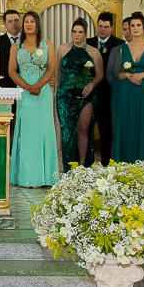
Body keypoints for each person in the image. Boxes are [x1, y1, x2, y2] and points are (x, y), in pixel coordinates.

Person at [8, 11, 58, 187]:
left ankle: (45, 176)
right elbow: (12, 71)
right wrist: (27, 87)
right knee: (27, 134)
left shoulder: (47, 45)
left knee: (43, 132)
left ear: (37, 24)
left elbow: (51, 69)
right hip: (24, 93)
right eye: (26, 22)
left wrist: (38, 86)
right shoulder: (17, 46)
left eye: (32, 21)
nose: (29, 24)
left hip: (42, 93)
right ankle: (26, 175)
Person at [110, 11, 144, 170]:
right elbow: (115, 74)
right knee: (126, 130)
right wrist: (127, 75)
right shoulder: (122, 50)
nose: (135, 28)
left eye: (138, 25)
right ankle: (126, 168)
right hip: (126, 94)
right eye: (132, 26)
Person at [55, 18, 102, 172]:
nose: (77, 34)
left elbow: (99, 75)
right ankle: (69, 166)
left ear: (85, 34)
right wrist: (56, 91)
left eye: (80, 32)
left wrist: (91, 84)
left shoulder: (93, 52)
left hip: (85, 95)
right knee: (67, 130)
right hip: (65, 96)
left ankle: (82, 164)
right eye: (74, 31)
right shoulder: (62, 49)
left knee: (83, 128)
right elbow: (57, 72)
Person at [86, 11, 123, 166]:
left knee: (107, 132)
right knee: (85, 129)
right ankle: (86, 163)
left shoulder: (119, 44)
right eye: (100, 26)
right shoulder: (88, 42)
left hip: (108, 94)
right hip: (88, 93)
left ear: (111, 28)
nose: (102, 30)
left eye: (106, 27)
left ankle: (107, 163)